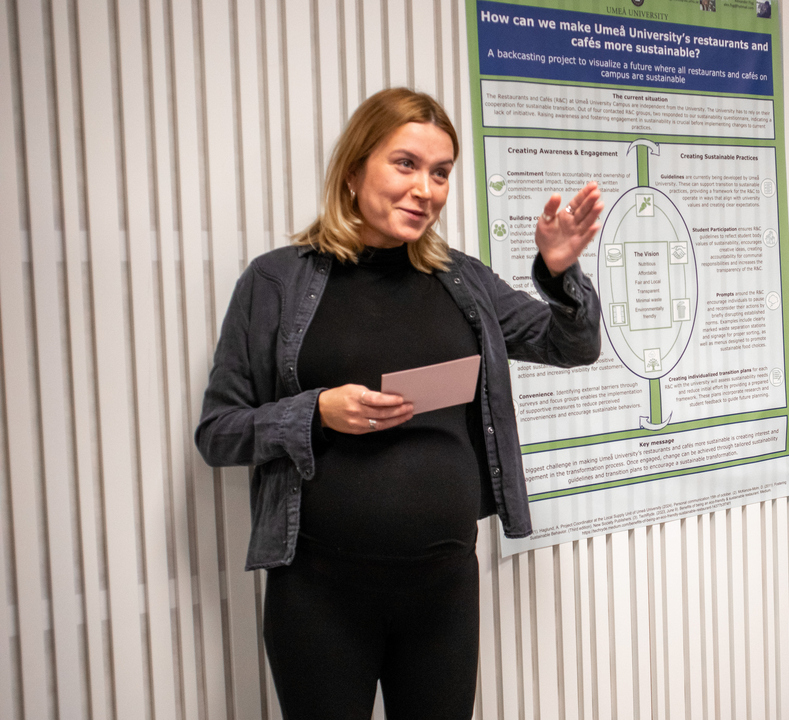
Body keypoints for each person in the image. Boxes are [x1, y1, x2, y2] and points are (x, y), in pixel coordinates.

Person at [195, 87, 603, 719]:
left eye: (440, 173)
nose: (426, 190)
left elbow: (569, 347)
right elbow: (218, 431)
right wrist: (316, 410)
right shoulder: (276, 281)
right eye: (406, 164)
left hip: (441, 588)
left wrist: (559, 275)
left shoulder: (462, 279)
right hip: (319, 594)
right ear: (355, 168)